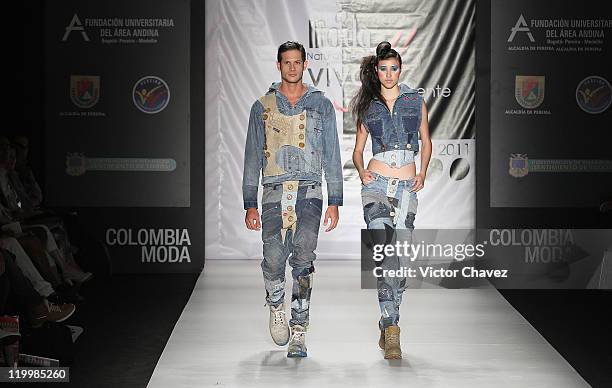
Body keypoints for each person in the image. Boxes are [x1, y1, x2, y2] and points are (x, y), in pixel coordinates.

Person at [242, 41, 343, 358]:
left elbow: (332, 154)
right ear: (278, 65)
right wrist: (249, 202)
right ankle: (275, 304)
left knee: (303, 258)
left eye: (297, 62)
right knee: (273, 257)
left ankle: (299, 330)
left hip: (310, 190)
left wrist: (335, 200)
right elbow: (252, 157)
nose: (292, 67)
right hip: (273, 190)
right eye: (286, 62)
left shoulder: (321, 105)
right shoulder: (263, 106)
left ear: (304, 64)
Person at [351, 41, 432, 359]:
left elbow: (426, 141)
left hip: (406, 189)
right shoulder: (367, 106)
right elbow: (358, 151)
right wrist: (361, 171)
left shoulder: (415, 100)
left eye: (393, 68)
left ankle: (386, 321)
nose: (388, 73)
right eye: (383, 68)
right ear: (376, 70)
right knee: (386, 252)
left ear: (400, 69)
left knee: (400, 264)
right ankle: (393, 328)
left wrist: (422, 173)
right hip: (376, 186)